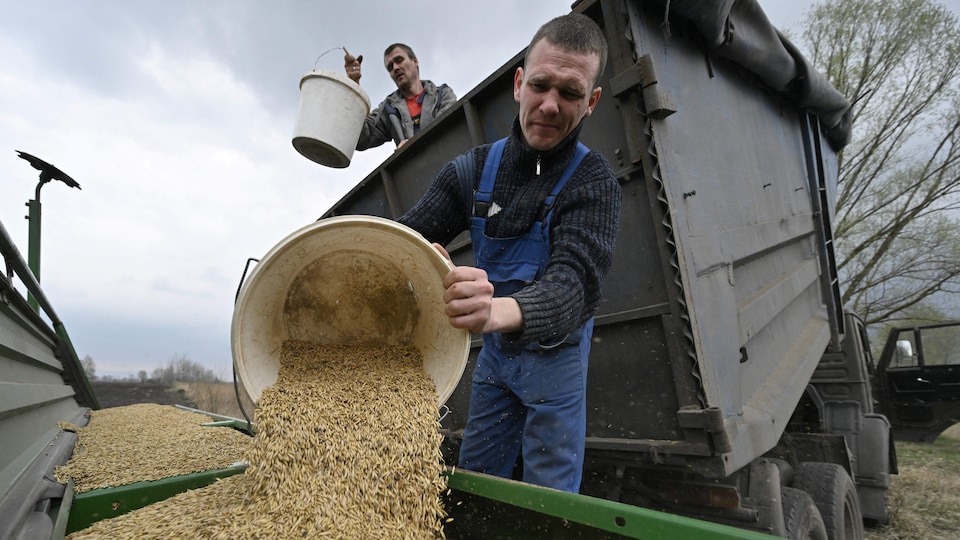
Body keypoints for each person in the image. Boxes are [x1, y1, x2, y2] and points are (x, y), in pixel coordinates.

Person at [397, 13, 621, 493]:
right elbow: (399, 240)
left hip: (558, 368)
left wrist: (494, 308)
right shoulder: (473, 172)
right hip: (496, 365)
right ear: (519, 83)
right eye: (540, 85)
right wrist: (413, 257)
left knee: (547, 506)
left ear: (592, 102)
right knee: (479, 488)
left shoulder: (593, 182)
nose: (550, 105)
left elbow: (573, 287)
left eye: (570, 93)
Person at [344, 43, 457, 150]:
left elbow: (449, 128)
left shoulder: (442, 95)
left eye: (399, 60)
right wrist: (353, 85)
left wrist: (412, 145)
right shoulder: (388, 109)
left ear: (415, 61)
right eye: (390, 67)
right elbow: (360, 138)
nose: (395, 68)